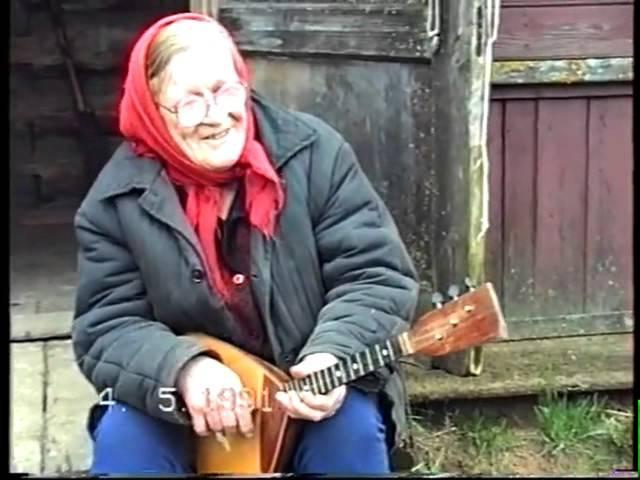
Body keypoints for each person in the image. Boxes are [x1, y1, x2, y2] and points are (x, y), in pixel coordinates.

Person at [71, 11, 420, 475]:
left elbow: (375, 275)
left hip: (309, 378)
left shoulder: (315, 154)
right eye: (190, 103)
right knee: (126, 447)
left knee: (349, 440)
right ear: (153, 112)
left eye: (225, 90)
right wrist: (184, 369)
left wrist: (332, 351)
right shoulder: (114, 202)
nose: (217, 117)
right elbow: (107, 325)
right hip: (180, 397)